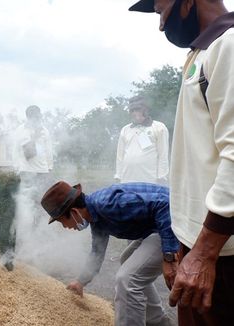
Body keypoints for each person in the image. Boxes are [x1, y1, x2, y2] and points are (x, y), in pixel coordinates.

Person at [130, 1, 234, 324]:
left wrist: (204, 252)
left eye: (161, 10)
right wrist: (183, 243)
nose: (161, 24)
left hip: (222, 254)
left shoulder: (228, 46)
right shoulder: (199, 54)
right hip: (199, 246)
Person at [41, 181, 179, 326]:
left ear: (74, 212)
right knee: (127, 259)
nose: (65, 227)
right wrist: (81, 282)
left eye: (62, 222)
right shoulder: (96, 218)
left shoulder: (108, 204)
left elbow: (165, 204)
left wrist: (169, 256)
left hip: (175, 223)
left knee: (126, 279)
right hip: (157, 227)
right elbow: (97, 253)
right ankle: (157, 321)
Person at [115, 96, 169, 185]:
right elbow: (120, 156)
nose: (136, 114)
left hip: (150, 180)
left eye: (138, 110)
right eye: (133, 111)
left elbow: (163, 155)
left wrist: (162, 177)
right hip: (127, 179)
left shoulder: (159, 127)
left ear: (146, 110)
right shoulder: (125, 129)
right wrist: (118, 176)